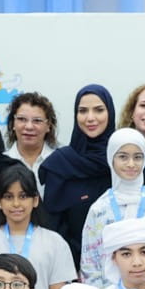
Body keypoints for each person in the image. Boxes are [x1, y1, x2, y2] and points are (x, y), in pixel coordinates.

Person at [39, 84, 118, 263]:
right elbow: (52, 227)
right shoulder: (60, 163)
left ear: (110, 113)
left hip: (125, 265)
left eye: (98, 110)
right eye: (83, 111)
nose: (90, 118)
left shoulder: (124, 160)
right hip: (71, 267)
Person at [79, 128, 145, 286]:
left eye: (138, 157)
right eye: (123, 157)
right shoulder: (100, 209)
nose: (131, 164)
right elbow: (90, 262)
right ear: (111, 159)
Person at [3, 91, 59, 184]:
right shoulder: (1, 164)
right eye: (22, 119)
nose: (29, 127)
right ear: (13, 123)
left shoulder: (59, 163)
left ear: (48, 126)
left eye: (37, 120)